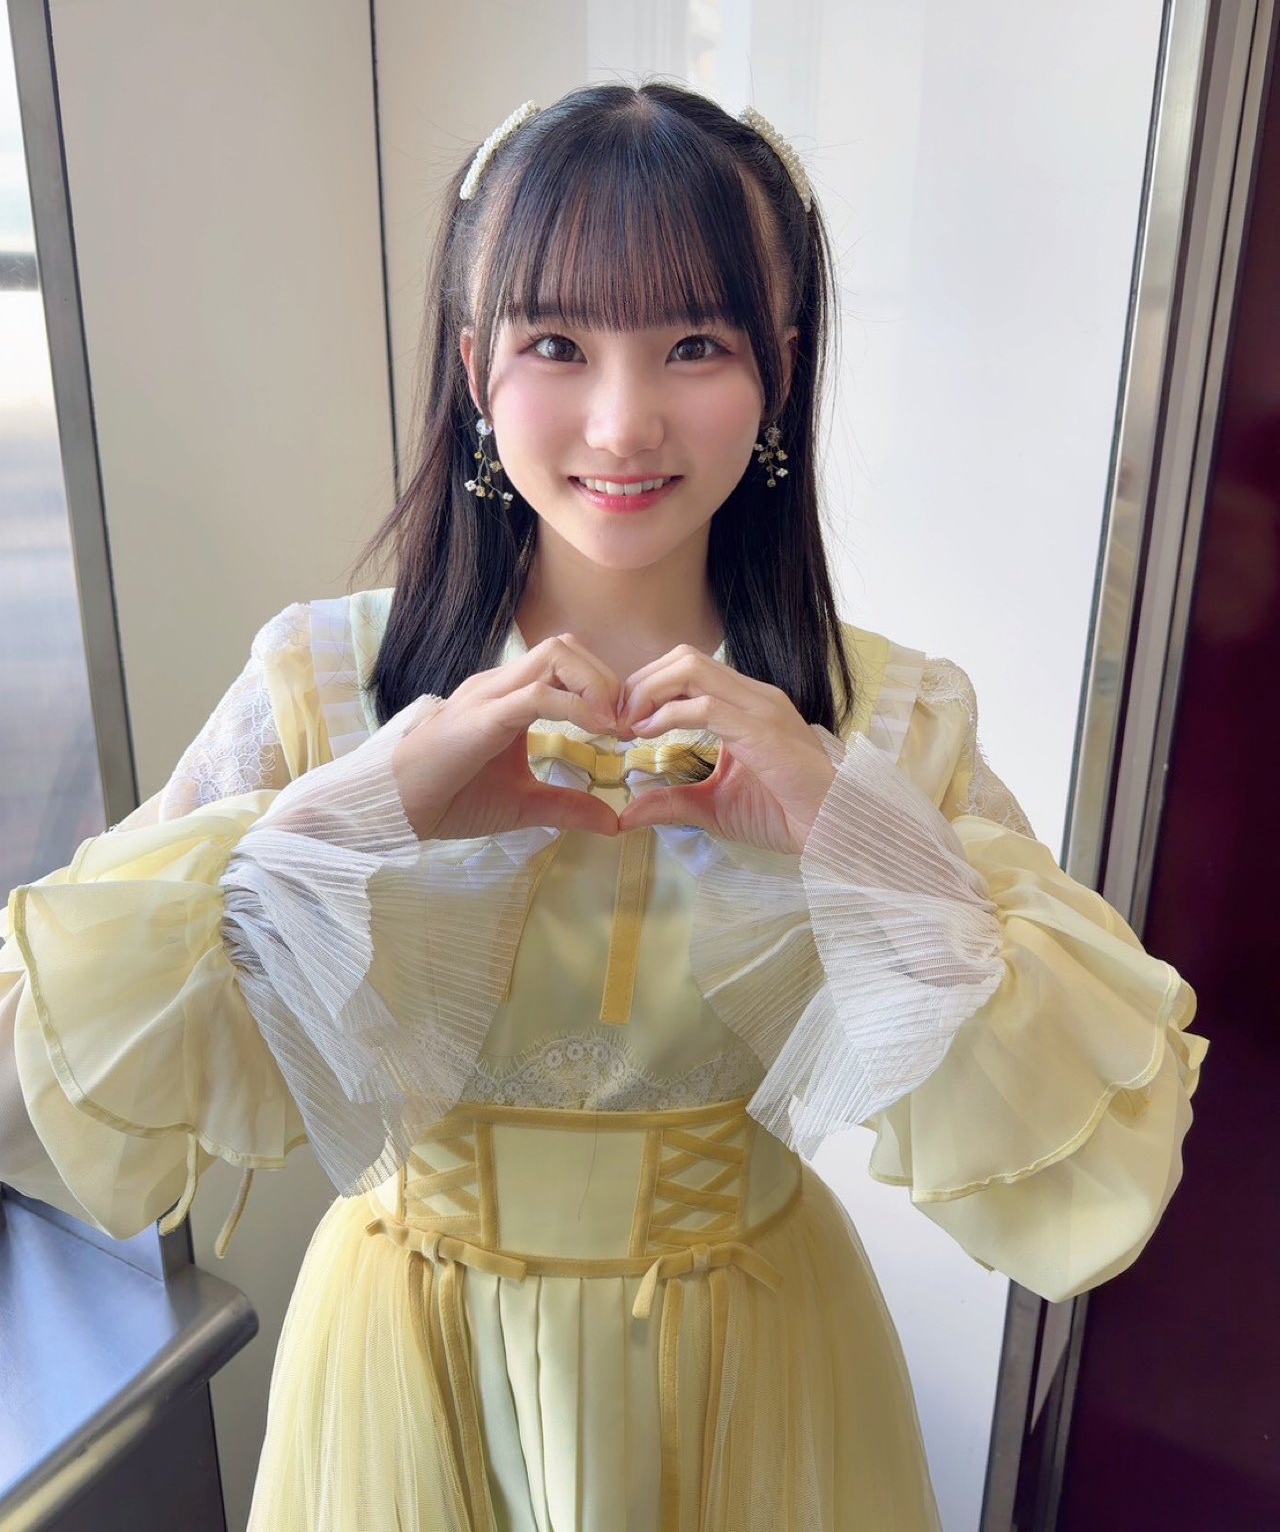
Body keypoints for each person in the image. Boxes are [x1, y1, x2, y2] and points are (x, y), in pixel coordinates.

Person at [0, 82, 1206, 1530]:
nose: (624, 423)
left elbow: (1100, 1147)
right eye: (556, 343)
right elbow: (47, 1075)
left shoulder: (889, 716)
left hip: (755, 1382)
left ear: (780, 371)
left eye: (695, 343)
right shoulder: (318, 685)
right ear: (474, 366)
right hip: (408, 1381)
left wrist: (849, 826)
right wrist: (349, 820)